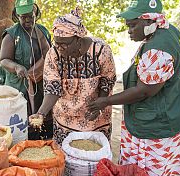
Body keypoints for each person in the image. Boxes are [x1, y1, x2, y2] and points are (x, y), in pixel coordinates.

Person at [87, 0, 180, 176]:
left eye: (133, 25)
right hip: (173, 112)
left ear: (149, 21)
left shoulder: (157, 49)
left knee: (148, 172)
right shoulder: (169, 31)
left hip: (157, 125)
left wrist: (106, 101)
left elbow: (145, 91)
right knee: (168, 170)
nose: (129, 31)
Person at [29, 8, 116, 146]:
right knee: (65, 157)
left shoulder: (101, 50)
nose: (59, 47)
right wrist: (41, 113)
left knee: (93, 157)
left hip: (95, 117)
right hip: (65, 119)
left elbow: (107, 80)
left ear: (78, 39)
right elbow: (53, 88)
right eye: (56, 42)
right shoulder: (54, 54)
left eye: (64, 44)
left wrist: (99, 106)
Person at [0, 0, 52, 140]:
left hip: (40, 82)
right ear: (17, 16)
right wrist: (17, 66)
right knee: (22, 118)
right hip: (19, 84)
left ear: (36, 13)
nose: (28, 20)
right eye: (23, 17)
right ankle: (23, 143)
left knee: (43, 115)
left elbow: (50, 53)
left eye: (30, 15)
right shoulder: (11, 35)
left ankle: (42, 142)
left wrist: (38, 68)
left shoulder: (42, 31)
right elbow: (4, 60)